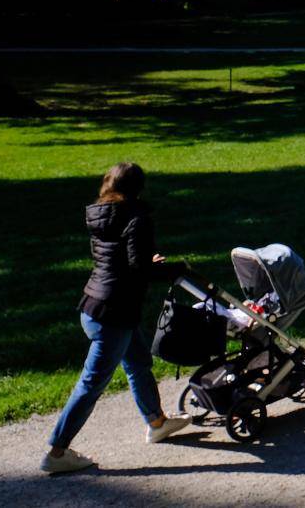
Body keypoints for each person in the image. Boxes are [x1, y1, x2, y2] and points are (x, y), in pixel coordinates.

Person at [43, 163, 191, 474]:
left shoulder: (102, 214)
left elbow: (117, 258)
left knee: (137, 363)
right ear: (138, 188)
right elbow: (140, 269)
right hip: (114, 315)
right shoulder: (136, 217)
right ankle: (57, 452)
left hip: (94, 305)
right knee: (91, 384)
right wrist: (175, 268)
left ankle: (157, 422)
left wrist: (147, 260)